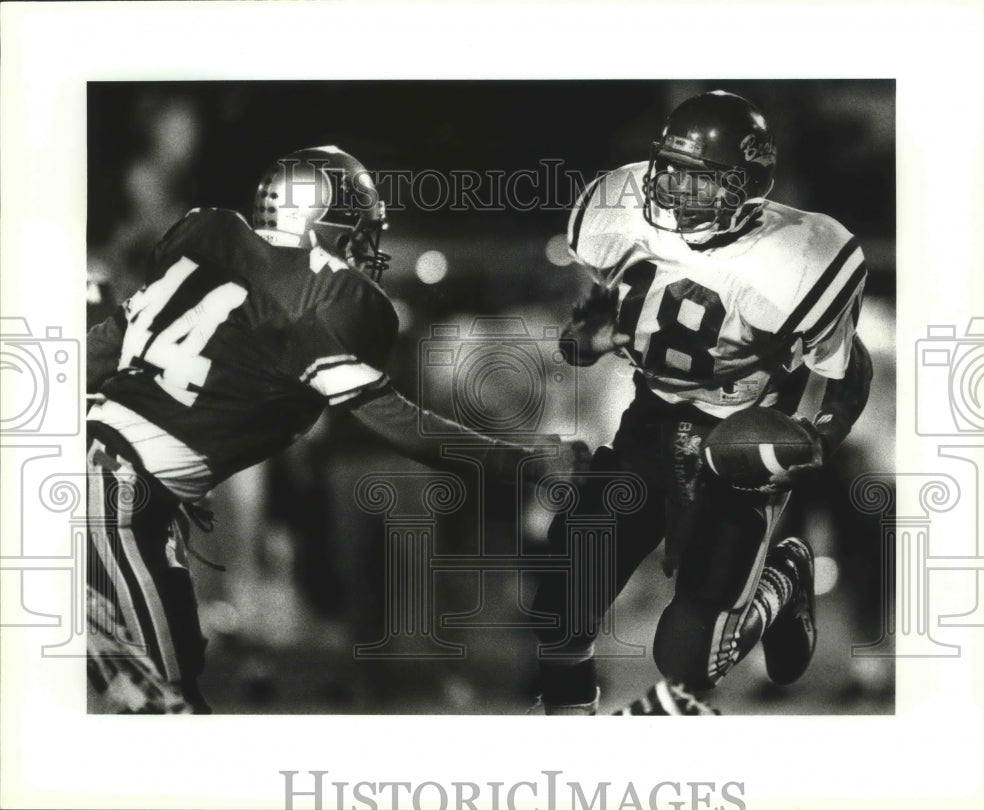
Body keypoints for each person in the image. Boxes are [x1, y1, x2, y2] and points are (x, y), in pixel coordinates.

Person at [85, 145, 584, 713]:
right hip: (119, 499)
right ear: (323, 227)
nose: (364, 250)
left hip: (119, 490)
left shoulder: (206, 247)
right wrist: (525, 461)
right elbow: (399, 420)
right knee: (157, 710)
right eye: (354, 233)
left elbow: (99, 350)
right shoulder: (319, 299)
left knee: (171, 690)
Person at [530, 91, 873, 715]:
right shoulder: (624, 208)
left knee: (686, 659)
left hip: (732, 450)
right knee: (561, 593)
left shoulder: (797, 255)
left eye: (700, 180)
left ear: (747, 185)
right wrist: (593, 340)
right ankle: (567, 725)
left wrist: (818, 436)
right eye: (671, 171)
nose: (676, 192)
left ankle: (785, 580)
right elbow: (592, 334)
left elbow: (851, 369)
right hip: (648, 422)